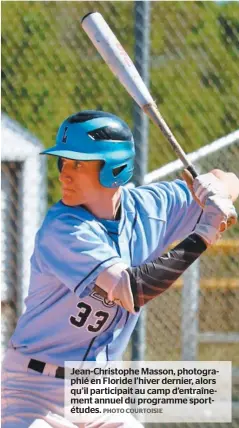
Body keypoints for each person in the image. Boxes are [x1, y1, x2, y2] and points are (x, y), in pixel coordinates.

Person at [2, 110, 238, 428]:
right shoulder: (64, 228)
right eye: (64, 161)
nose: (64, 174)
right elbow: (132, 290)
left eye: (78, 164)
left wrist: (214, 189)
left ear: (114, 169)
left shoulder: (151, 207)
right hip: (34, 392)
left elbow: (230, 179)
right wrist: (203, 235)